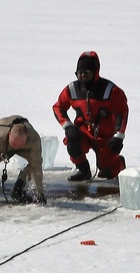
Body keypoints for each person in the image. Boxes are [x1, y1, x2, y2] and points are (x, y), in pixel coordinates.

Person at [52, 50, 129, 182]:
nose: (82, 76)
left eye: (86, 73)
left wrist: (118, 136)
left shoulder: (111, 90)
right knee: (72, 142)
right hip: (83, 132)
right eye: (79, 73)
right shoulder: (72, 89)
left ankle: (118, 163)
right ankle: (83, 170)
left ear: (95, 72)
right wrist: (68, 125)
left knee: (107, 171)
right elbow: (58, 107)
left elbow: (121, 112)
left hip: (105, 135)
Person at [0, 115, 47, 204]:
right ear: (9, 135)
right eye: (14, 143)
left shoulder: (33, 139)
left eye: (20, 144)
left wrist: (40, 194)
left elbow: (37, 167)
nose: (16, 147)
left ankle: (19, 187)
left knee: (34, 163)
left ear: (26, 138)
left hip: (20, 144)